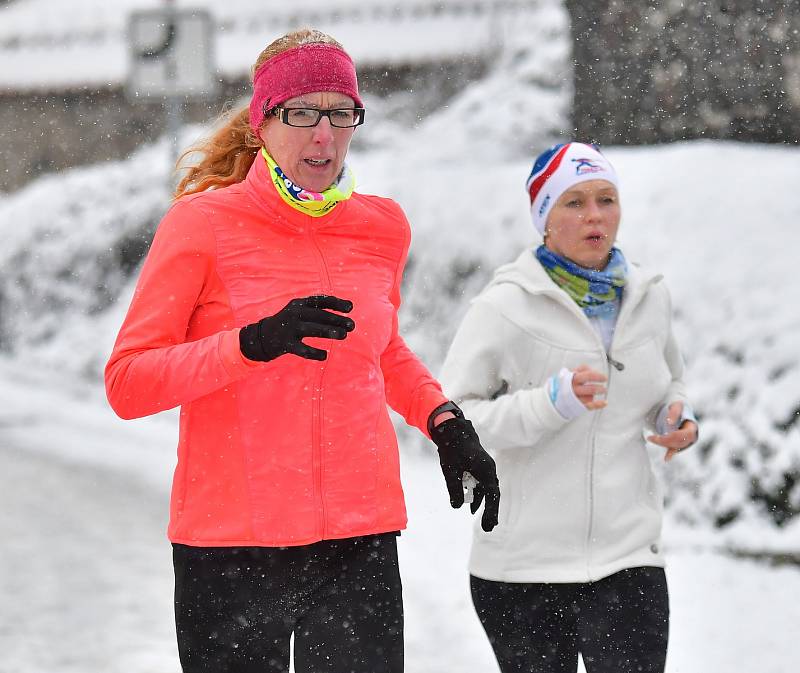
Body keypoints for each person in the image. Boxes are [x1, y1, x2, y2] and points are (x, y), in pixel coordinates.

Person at [105, 28, 499, 673]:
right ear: (263, 122)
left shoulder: (380, 226)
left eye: (340, 113)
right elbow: (128, 382)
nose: (323, 135)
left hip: (356, 537)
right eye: (302, 114)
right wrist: (251, 345)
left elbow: (380, 348)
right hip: (232, 544)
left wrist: (444, 422)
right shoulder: (202, 225)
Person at [439, 142, 698, 673]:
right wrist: (548, 405)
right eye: (574, 202)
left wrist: (673, 416)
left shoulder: (649, 297)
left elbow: (668, 381)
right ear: (544, 217)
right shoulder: (504, 307)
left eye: (606, 199)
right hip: (522, 572)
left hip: (627, 560)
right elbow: (455, 422)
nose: (595, 215)